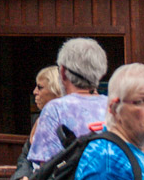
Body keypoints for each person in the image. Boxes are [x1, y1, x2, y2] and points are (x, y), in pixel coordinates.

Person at [29, 38, 109, 167]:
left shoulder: (55, 110)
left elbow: (47, 170)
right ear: (100, 74)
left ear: (63, 72)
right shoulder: (116, 108)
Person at [12, 65, 62, 180]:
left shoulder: (68, 124)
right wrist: (23, 175)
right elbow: (25, 156)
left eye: (40, 87)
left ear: (55, 91)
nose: (34, 91)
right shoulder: (38, 121)